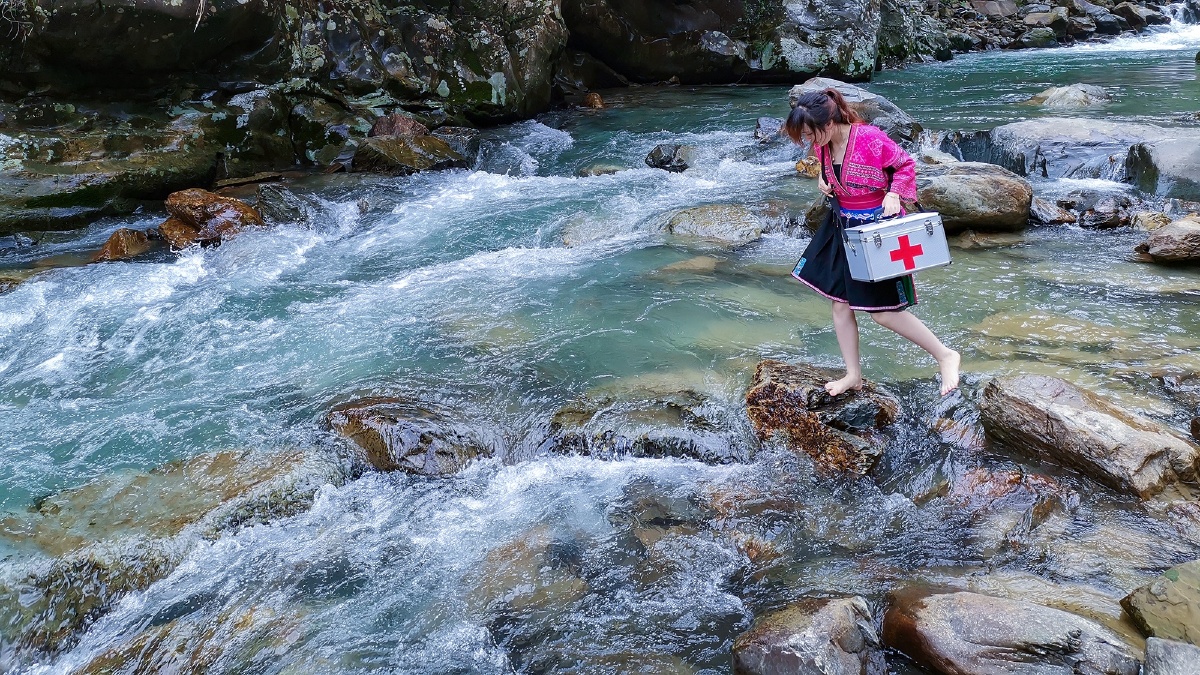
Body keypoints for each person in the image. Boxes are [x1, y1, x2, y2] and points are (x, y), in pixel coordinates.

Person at [785, 88, 960, 397]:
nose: (811, 143)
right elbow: (834, 175)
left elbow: (905, 165)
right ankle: (853, 374)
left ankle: (945, 355)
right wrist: (825, 182)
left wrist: (894, 194)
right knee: (840, 305)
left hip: (876, 231)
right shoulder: (824, 146)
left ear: (828, 124)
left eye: (812, 135)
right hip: (844, 228)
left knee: (882, 312)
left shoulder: (869, 138)